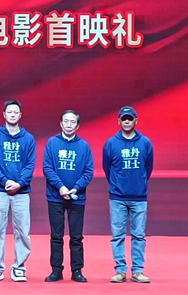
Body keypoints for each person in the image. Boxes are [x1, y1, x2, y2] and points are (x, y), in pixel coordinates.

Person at [0, 100, 36, 282]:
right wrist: (6, 181)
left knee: (23, 232)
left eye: (16, 112)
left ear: (20, 115)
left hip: (21, 192)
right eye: (10, 112)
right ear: (4, 114)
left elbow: (30, 165)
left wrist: (19, 183)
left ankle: (19, 268)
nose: (13, 114)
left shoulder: (28, 139)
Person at [103, 106, 154, 284]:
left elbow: (148, 168)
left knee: (139, 235)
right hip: (117, 197)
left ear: (135, 121)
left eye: (130, 119)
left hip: (139, 197)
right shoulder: (111, 143)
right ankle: (120, 270)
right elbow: (107, 168)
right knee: (117, 236)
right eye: (123, 118)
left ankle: (138, 271)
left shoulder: (145, 143)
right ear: (118, 121)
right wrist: (118, 184)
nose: (126, 121)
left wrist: (139, 183)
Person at [42, 110, 94, 283]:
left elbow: (88, 171)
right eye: (66, 121)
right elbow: (47, 168)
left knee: (76, 237)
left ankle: (77, 270)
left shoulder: (84, 146)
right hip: (55, 196)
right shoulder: (52, 142)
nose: (69, 125)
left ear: (77, 126)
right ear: (60, 123)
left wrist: (76, 188)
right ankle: (56, 270)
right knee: (56, 236)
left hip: (77, 198)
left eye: (72, 122)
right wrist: (61, 187)